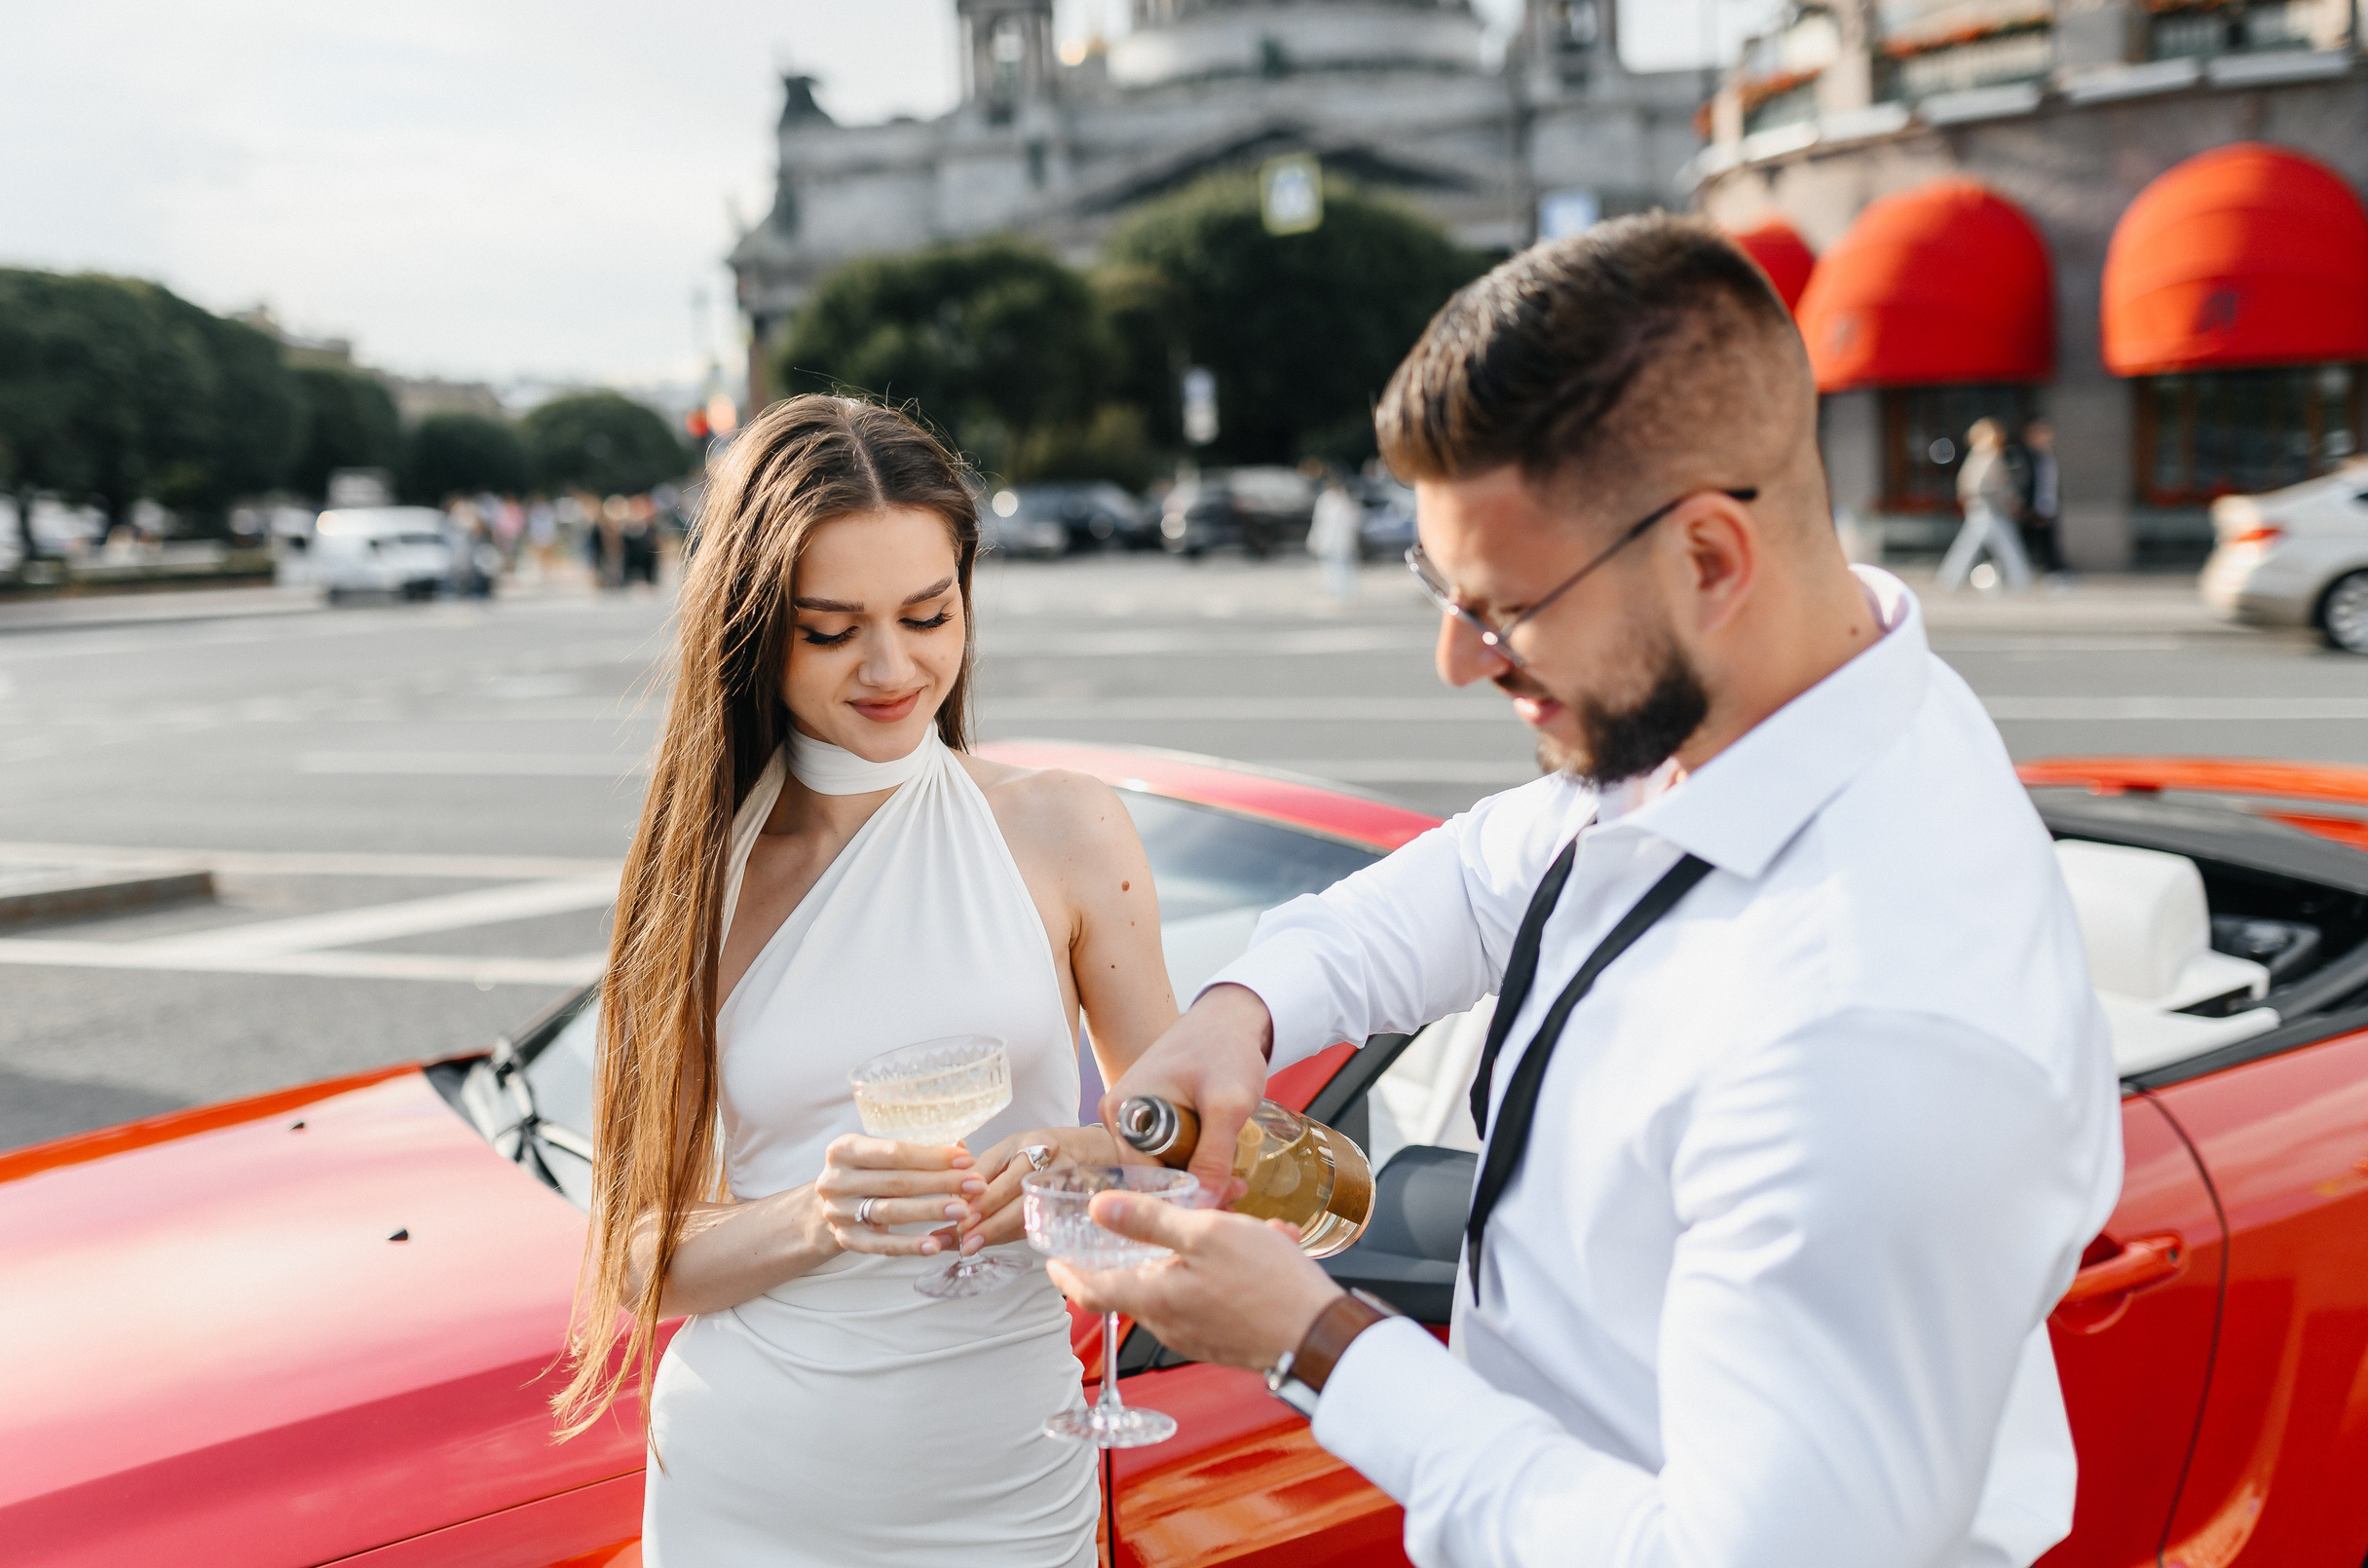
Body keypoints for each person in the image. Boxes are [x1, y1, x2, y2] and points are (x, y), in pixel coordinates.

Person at [1051, 215, 2122, 1568]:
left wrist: (1311, 1338)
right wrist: (1245, 1002)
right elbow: (1490, 873)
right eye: (1442, 587)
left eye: (1504, 607)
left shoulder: (1864, 1029)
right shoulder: (1762, 700)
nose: (1457, 657)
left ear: (1712, 559)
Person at [555, 395, 1180, 1566]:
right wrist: (817, 1216)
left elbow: (1188, 1135)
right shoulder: (697, 882)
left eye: (927, 614)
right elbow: (640, 1251)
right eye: (830, 628)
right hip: (750, 1483)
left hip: (1005, 1473)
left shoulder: (1061, 827)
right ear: (750, 629)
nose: (893, 667)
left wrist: (1084, 1159)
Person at [1936, 417, 2033, 593]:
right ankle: (2021, 579)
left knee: (1970, 547)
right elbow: (1981, 485)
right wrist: (2005, 500)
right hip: (1988, 509)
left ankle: (1950, 579)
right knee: (2006, 546)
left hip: (1982, 508)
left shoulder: (1979, 455)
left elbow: (1966, 483)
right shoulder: (1986, 456)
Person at [2019, 417, 2068, 578]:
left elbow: (2051, 484)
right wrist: (2030, 508)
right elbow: (2027, 484)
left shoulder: (2049, 456)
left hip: (2048, 506)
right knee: (2025, 543)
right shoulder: (2027, 457)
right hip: (2033, 508)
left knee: (2048, 541)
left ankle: (2054, 570)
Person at [1307, 472, 1363, 602]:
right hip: (1328, 540)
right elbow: (1319, 521)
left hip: (1342, 541)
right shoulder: (1325, 500)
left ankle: (1345, 595)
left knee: (1345, 567)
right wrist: (1315, 538)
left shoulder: (1345, 501)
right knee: (1330, 568)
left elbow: (1354, 522)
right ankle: (1336, 593)